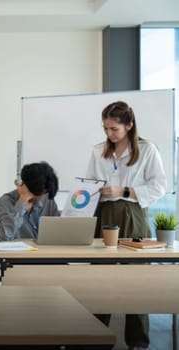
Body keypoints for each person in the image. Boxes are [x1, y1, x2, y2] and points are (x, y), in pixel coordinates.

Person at [86, 101, 166, 350]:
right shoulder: (99, 150)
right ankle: (96, 340)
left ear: (129, 125)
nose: (109, 134)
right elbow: (89, 182)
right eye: (105, 128)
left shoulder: (147, 149)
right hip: (104, 212)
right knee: (101, 278)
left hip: (133, 212)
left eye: (114, 129)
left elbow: (159, 186)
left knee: (136, 278)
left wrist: (125, 190)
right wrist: (91, 189)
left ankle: (138, 342)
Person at [0, 162, 60, 241]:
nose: (43, 196)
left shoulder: (48, 200)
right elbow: (5, 237)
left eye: (45, 193)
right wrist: (21, 203)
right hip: (17, 252)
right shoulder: (5, 202)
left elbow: (59, 230)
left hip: (45, 251)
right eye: (41, 193)